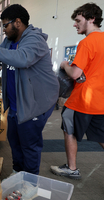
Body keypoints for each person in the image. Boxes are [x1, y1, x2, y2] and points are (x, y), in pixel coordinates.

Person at [0, 4, 59, 175]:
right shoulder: (9, 41)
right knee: (15, 142)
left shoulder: (35, 40)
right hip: (15, 105)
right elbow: (0, 55)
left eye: (5, 25)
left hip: (33, 104)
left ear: (18, 22)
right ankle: (17, 173)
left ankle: (30, 182)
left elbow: (23, 59)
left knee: (29, 146)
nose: (4, 29)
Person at [50, 3, 104, 180]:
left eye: (78, 20)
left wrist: (65, 64)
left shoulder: (86, 42)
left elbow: (75, 74)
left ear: (91, 19)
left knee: (68, 124)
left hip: (82, 100)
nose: (75, 24)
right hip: (101, 101)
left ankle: (71, 168)